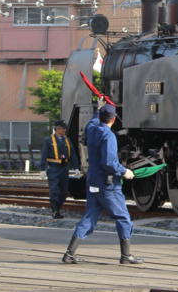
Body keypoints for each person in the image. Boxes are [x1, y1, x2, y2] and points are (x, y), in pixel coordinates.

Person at [61, 103, 143, 265]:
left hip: (93, 181)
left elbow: (92, 122)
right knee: (123, 217)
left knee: (90, 217)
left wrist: (98, 109)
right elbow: (109, 162)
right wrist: (124, 171)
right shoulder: (108, 136)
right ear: (113, 119)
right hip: (108, 184)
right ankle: (126, 256)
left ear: (100, 117)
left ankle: (69, 253)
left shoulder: (92, 129)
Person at [40, 120, 79, 219]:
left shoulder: (67, 140)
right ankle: (55, 211)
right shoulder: (48, 140)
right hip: (53, 167)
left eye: (64, 128)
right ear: (57, 129)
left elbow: (73, 154)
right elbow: (44, 155)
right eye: (62, 128)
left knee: (64, 190)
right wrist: (43, 169)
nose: (64, 130)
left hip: (64, 167)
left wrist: (76, 168)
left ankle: (58, 208)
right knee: (54, 189)